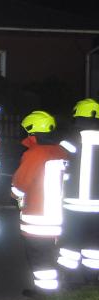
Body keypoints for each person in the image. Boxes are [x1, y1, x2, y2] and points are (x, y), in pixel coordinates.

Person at [12, 111, 68, 295]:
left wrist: (14, 193)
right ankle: (55, 289)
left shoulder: (35, 154)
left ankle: (46, 293)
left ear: (32, 131)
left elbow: (21, 183)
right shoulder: (61, 152)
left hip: (38, 216)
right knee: (51, 254)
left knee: (39, 256)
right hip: (59, 214)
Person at [59, 99, 99, 277]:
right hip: (97, 204)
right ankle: (92, 277)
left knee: (71, 242)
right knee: (93, 242)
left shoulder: (72, 138)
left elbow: (57, 158)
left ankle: (70, 277)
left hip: (73, 202)